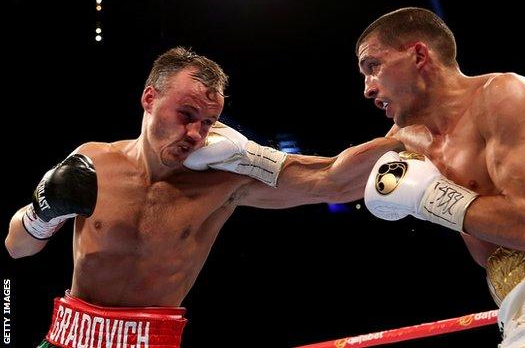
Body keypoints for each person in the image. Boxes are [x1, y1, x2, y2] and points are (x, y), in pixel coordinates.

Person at [5, 46, 402, 348]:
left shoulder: (223, 182)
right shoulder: (92, 160)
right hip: (68, 337)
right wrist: (42, 213)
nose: (196, 134)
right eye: (186, 114)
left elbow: (330, 179)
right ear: (149, 99)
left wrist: (404, 139)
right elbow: (16, 248)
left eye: (209, 122)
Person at [357, 7, 525, 347]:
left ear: (419, 54)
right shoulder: (406, 141)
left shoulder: (503, 93)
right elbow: (324, 178)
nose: (367, 88)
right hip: (517, 305)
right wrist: (265, 161)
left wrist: (428, 194)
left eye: (372, 67)